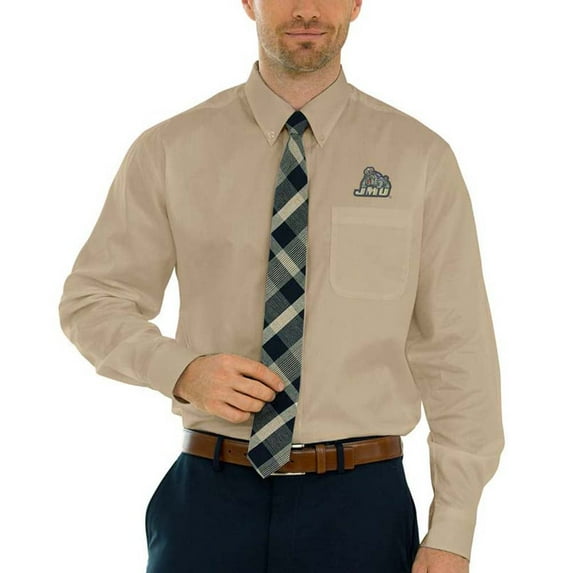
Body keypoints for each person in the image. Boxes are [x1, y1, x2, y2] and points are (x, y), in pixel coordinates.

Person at [58, 1, 504, 571]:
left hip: (362, 508)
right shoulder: (169, 149)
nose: (307, 10)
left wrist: (454, 528)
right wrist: (182, 371)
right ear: (248, 2)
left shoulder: (420, 159)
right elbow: (93, 301)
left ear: (357, 3)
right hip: (210, 499)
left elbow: (457, 349)